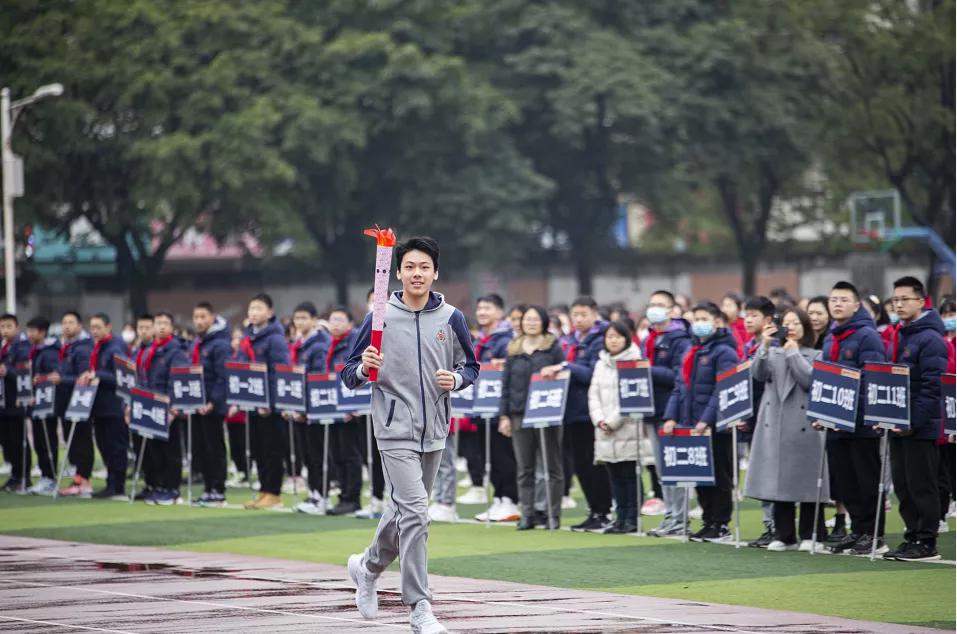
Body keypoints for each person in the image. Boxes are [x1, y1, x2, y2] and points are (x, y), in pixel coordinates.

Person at [342, 236, 478, 634]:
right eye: (410, 267)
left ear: (435, 273)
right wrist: (365, 369)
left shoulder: (451, 317)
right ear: (397, 272)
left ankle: (367, 567)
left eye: (424, 267)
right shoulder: (379, 317)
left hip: (435, 427)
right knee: (417, 511)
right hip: (393, 427)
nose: (417, 273)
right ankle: (420, 607)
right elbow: (349, 374)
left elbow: (471, 365)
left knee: (404, 510)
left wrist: (456, 378)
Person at [745, 307, 828, 552]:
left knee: (808, 482)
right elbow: (757, 374)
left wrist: (793, 354)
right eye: (787, 323)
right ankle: (784, 534)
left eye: (796, 323)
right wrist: (764, 345)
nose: (791, 327)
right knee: (779, 481)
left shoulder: (816, 354)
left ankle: (811, 534)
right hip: (776, 425)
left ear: (805, 328)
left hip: (805, 425)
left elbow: (810, 381)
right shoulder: (772, 353)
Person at [662, 301, 739, 542]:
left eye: (704, 319)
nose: (699, 324)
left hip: (715, 426)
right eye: (696, 319)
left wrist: (707, 420)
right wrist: (671, 416)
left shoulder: (725, 352)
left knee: (720, 475)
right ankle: (708, 520)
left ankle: (721, 523)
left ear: (717, 322)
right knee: (700, 474)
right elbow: (679, 386)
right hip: (690, 423)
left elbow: (722, 389)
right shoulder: (692, 351)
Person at [883, 277, 948, 561]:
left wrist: (913, 422)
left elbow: (933, 387)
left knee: (922, 485)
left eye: (905, 299)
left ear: (921, 302)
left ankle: (926, 540)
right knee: (903, 485)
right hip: (897, 423)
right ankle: (912, 535)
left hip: (919, 427)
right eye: (895, 299)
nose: (899, 304)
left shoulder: (930, 339)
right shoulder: (900, 334)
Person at [821, 281, 889, 555]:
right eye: (833, 299)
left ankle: (874, 534)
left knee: (866, 479)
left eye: (843, 299)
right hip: (834, 421)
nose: (836, 304)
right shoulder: (830, 336)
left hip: (861, 422)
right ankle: (858, 530)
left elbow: (873, 377)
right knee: (845, 480)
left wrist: (863, 412)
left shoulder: (866, 335)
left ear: (856, 305)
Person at [498, 305, 565, 530]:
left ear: (544, 322)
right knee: (524, 467)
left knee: (551, 465)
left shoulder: (553, 347)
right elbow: (505, 384)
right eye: (527, 319)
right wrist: (504, 416)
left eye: (536, 319)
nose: (531, 323)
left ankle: (552, 513)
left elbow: (563, 374)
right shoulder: (514, 348)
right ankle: (527, 513)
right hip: (518, 414)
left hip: (546, 411)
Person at [230, 293, 292, 510]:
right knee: (257, 449)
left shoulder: (275, 338)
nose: (253, 313)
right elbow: (240, 368)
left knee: (272, 449)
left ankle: (273, 492)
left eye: (258, 308)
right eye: (251, 309)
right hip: (252, 404)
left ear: (269, 312)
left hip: (270, 407)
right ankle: (263, 490)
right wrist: (238, 399)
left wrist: (272, 403)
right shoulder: (248, 337)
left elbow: (280, 372)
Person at [559, 296, 613, 532]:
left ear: (594, 314)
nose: (579, 319)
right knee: (580, 464)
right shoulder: (569, 339)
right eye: (575, 315)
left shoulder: (601, 339)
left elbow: (593, 373)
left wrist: (566, 368)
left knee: (595, 463)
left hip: (591, 411)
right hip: (570, 410)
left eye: (583, 315)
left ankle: (604, 510)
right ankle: (594, 510)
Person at [642, 290, 692, 536]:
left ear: (673, 310)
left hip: (671, 410)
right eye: (652, 304)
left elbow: (678, 376)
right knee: (662, 469)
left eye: (660, 305)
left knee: (674, 467)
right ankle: (670, 515)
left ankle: (680, 517)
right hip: (651, 410)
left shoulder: (680, 339)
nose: (655, 309)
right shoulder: (649, 338)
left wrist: (646, 370)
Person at [588, 321, 643, 534]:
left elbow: (632, 396)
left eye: (618, 336)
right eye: (609, 336)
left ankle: (632, 517)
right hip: (603, 429)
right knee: (615, 475)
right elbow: (593, 394)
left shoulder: (635, 361)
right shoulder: (601, 362)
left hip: (626, 427)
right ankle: (620, 517)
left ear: (627, 338)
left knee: (629, 473)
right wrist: (599, 419)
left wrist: (612, 421)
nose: (613, 340)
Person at [471, 294, 520, 523]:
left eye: (487, 308)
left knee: (502, 454)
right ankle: (499, 497)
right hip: (480, 404)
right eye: (480, 308)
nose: (482, 312)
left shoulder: (505, 339)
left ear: (500, 312)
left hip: (498, 404)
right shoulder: (479, 339)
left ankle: (511, 498)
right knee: (487, 454)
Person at [288, 301, 334, 515]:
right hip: (300, 408)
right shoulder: (298, 343)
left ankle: (323, 495)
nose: (299, 322)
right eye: (297, 318)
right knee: (307, 454)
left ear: (314, 320)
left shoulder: (320, 343)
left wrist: (305, 407)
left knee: (318, 453)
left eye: (304, 318)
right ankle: (314, 493)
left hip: (315, 408)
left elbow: (316, 378)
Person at [139, 311, 189, 505]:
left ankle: (172, 489)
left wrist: (173, 407)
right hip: (151, 405)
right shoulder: (150, 349)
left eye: (165, 323)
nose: (161, 327)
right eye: (157, 323)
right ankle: (160, 486)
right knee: (155, 449)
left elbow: (177, 379)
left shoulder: (175, 350)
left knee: (171, 449)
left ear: (171, 328)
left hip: (168, 408)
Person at [78, 313, 130, 498]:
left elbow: (122, 375)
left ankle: (118, 486)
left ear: (108, 327)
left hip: (113, 406)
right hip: (99, 406)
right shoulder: (98, 347)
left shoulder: (115, 347)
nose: (94, 331)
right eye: (92, 327)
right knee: (104, 446)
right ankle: (110, 483)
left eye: (98, 327)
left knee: (116, 447)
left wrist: (97, 375)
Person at [741, 296, 777, 546]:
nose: (747, 320)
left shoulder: (776, 345)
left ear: (768, 320)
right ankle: (769, 524)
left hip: (772, 418)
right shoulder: (748, 346)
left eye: (753, 315)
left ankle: (777, 525)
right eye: (746, 315)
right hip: (754, 416)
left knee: (773, 473)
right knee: (762, 473)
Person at [189, 302, 232, 506]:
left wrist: (213, 401)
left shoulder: (220, 344)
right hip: (196, 404)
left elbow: (222, 376)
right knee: (200, 449)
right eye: (196, 317)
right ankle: (207, 488)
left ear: (213, 317)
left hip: (212, 407)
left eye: (203, 317)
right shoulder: (197, 342)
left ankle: (218, 489)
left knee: (214, 447)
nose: (199, 321)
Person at [325, 306, 365, 516]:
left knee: (351, 454)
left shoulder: (354, 341)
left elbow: (356, 373)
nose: (335, 324)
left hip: (350, 408)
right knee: (336, 453)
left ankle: (352, 497)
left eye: (340, 320)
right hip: (332, 406)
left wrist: (353, 404)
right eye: (332, 320)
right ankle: (342, 495)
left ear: (350, 324)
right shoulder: (328, 344)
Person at [53, 311, 95, 497]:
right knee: (72, 442)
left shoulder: (83, 348)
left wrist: (62, 379)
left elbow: (83, 377)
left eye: (71, 322)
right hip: (66, 402)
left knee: (81, 441)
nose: (67, 326)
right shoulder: (67, 346)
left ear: (80, 325)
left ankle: (84, 480)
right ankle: (78, 479)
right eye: (64, 322)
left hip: (79, 402)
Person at [25, 317, 62, 495]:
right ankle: (45, 475)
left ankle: (50, 477)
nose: (29, 334)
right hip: (37, 402)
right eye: (28, 330)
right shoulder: (36, 350)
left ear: (42, 332)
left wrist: (41, 380)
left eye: (33, 331)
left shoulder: (50, 352)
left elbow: (55, 376)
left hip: (47, 404)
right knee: (39, 442)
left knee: (47, 441)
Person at [0, 314, 30, 492]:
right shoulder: (3, 347)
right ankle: (14, 475)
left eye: (8, 326)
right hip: (3, 403)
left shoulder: (22, 347)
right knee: (6, 442)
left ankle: (23, 476)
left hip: (17, 401)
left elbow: (23, 371)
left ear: (17, 327)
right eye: (2, 327)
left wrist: (7, 371)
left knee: (18, 440)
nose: (5, 330)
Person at [131, 314, 159, 500]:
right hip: (138, 402)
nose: (143, 331)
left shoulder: (157, 350)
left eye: (147, 327)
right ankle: (148, 483)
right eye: (140, 327)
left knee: (154, 447)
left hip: (153, 402)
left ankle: (157, 483)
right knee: (140, 445)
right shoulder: (135, 351)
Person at [721, 292, 748, 358]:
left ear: (739, 308)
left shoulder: (745, 325)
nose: (725, 309)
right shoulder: (720, 325)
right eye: (723, 305)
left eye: (729, 306)